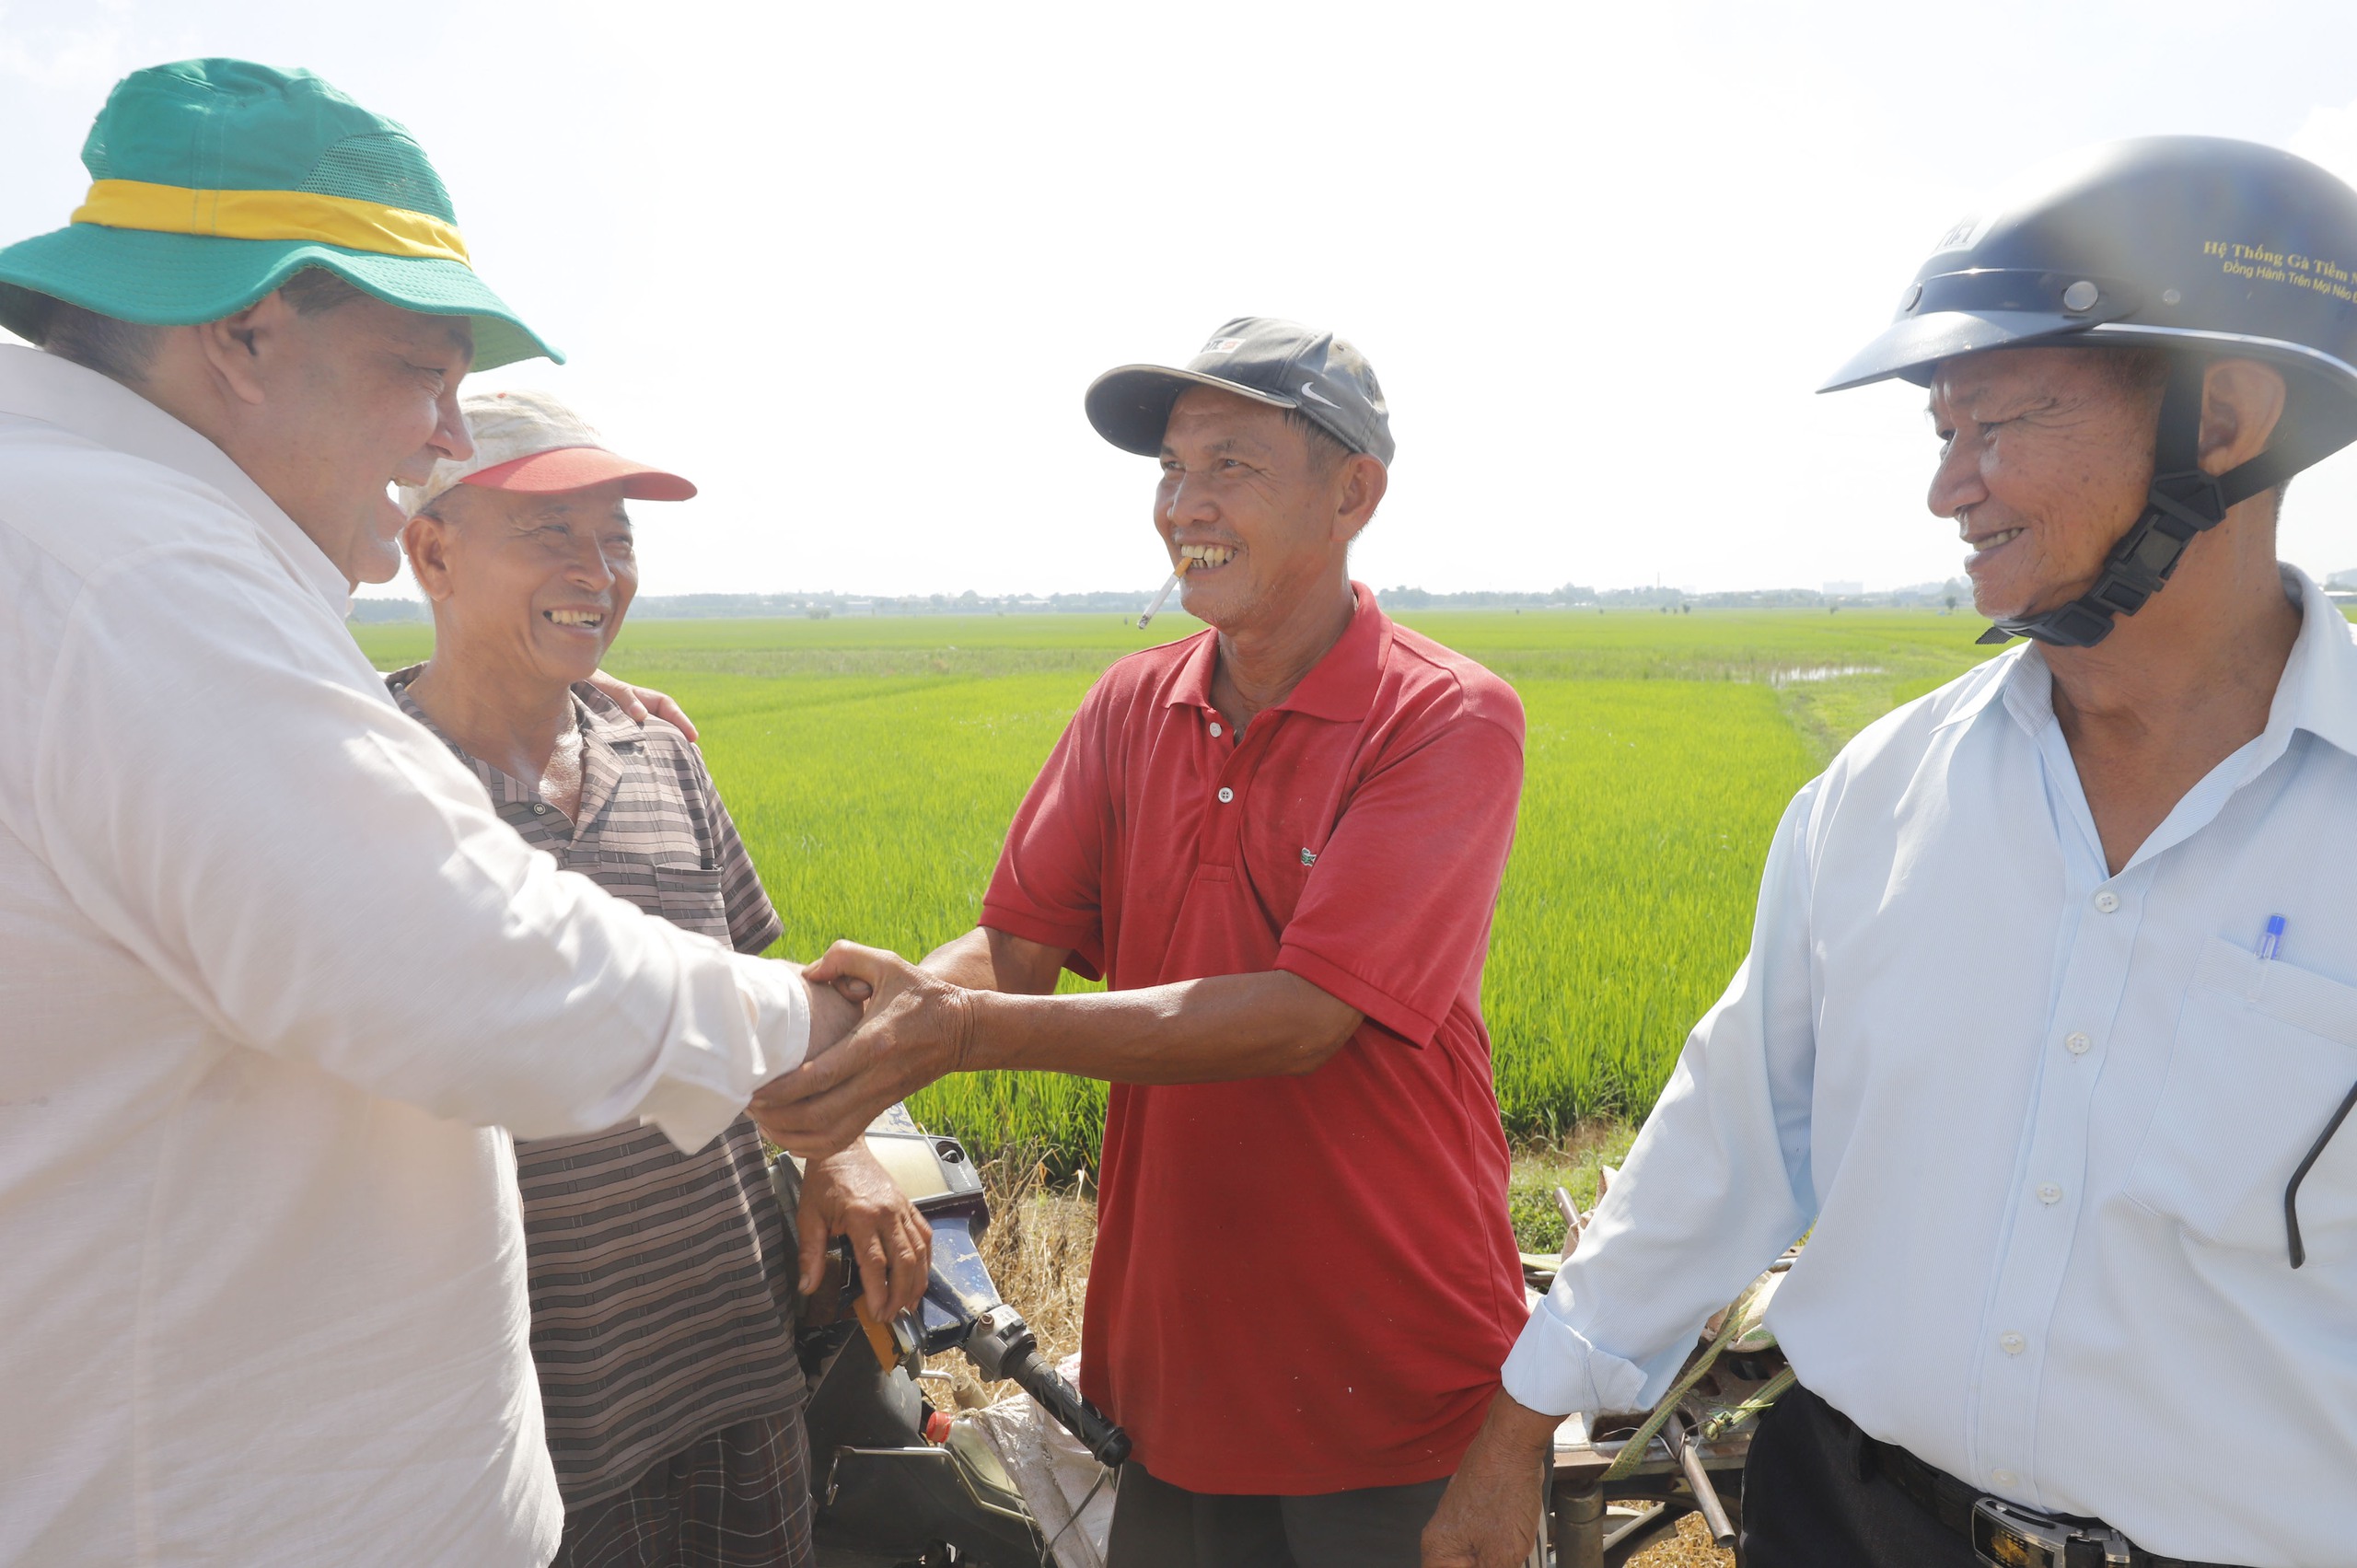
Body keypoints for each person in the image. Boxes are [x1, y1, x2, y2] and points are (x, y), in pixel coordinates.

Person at [1425, 138, 2357, 1568]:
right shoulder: (1884, 791)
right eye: (1939, 431)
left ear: (2223, 418)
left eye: (1995, 425)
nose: (1948, 488)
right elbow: (1735, 1130)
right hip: (1852, 1521)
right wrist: (1523, 1413)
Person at [0, 60, 856, 1567]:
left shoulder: (102, 540)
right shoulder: (138, 577)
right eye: (419, 367)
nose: (439, 428)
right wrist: (833, 1029)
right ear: (247, 331)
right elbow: (459, 968)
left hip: (669, 1388)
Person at [754, 318, 1532, 1568]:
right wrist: (834, 1035)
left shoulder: (1442, 716)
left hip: (1391, 1382)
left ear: (1354, 493)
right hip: (1171, 1383)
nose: (1186, 504)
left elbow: (1302, 1014)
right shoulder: (1132, 705)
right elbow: (1014, 947)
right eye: (1172, 470)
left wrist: (956, 1028)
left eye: (1231, 465)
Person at [389, 388, 932, 1567]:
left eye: (618, 536)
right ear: (432, 548)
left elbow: (757, 999)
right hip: (532, 1408)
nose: (598, 569)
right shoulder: (373, 786)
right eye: (548, 530)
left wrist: (836, 1149)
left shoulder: (658, 755)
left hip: (733, 1357)